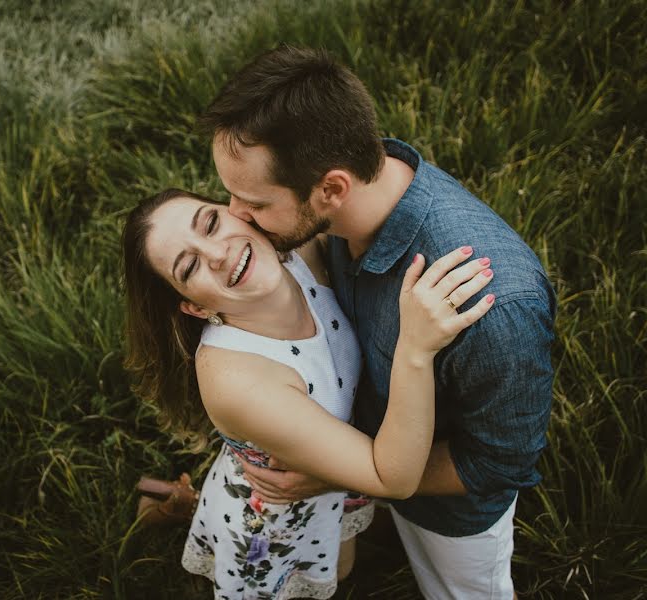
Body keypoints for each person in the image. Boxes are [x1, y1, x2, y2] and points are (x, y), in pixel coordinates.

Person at [198, 45, 556, 599]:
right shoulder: (336, 216)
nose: (235, 217)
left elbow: (499, 463)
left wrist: (344, 474)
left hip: (448, 518)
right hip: (368, 468)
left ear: (332, 188)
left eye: (254, 204)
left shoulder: (492, 307)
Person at [122, 188, 495, 599]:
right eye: (189, 266)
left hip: (335, 474)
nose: (217, 254)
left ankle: (182, 504)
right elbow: (394, 478)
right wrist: (416, 349)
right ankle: (187, 511)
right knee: (301, 584)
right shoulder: (237, 381)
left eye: (210, 223)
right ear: (192, 306)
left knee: (343, 565)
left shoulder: (302, 253)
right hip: (276, 515)